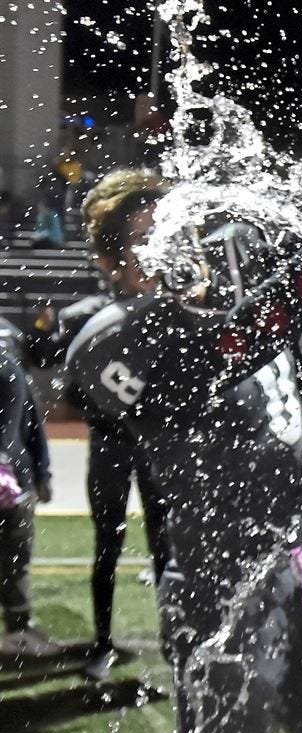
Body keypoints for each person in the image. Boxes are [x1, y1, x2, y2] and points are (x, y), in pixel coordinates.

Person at [66, 178, 302, 733]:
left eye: (182, 235)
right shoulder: (109, 341)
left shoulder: (234, 303)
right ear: (111, 265)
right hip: (220, 579)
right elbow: (213, 358)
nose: (175, 254)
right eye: (151, 242)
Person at [26, 169, 171, 681]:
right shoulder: (94, 316)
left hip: (162, 447)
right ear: (109, 262)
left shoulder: (184, 309)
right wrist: (45, 327)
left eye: (159, 238)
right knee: (107, 542)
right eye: (139, 243)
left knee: (166, 543)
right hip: (110, 443)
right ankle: (103, 642)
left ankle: (178, 640)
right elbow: (41, 352)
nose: (153, 255)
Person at [0, 349, 58, 656]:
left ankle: (19, 630)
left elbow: (31, 420)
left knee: (15, 559)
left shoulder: (10, 365)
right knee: (15, 560)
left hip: (15, 482)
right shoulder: (10, 362)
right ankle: (19, 629)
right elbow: (33, 422)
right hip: (15, 479)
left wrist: (42, 472)